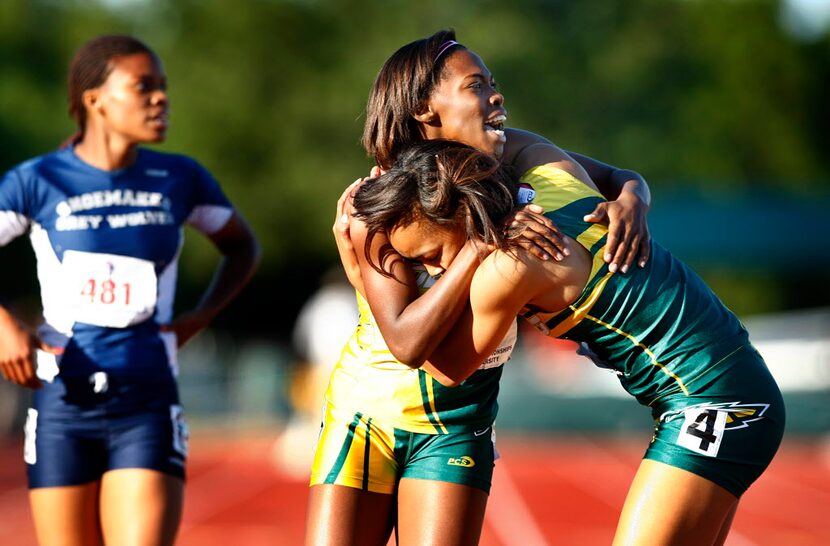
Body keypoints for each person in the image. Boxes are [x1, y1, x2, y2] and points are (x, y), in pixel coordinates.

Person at [306, 30, 653, 546]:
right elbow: (407, 344)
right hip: (367, 415)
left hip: (459, 420)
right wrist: (484, 243)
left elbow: (616, 175)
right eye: (476, 85)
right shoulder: (379, 201)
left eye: (493, 82)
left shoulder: (506, 155)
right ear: (426, 109)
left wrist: (634, 199)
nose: (496, 95)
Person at [351, 139, 785, 546]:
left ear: (463, 216)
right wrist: (635, 192)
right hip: (733, 389)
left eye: (432, 255)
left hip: (714, 405)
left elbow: (445, 369)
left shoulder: (511, 264)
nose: (436, 271)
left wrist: (366, 280)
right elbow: (541, 149)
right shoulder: (549, 174)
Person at [0, 35, 260, 546]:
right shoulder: (37, 180)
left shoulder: (180, 178)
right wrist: (4, 325)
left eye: (163, 87)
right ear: (95, 98)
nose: (161, 98)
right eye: (144, 87)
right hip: (62, 401)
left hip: (147, 400)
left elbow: (242, 247)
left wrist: (200, 315)